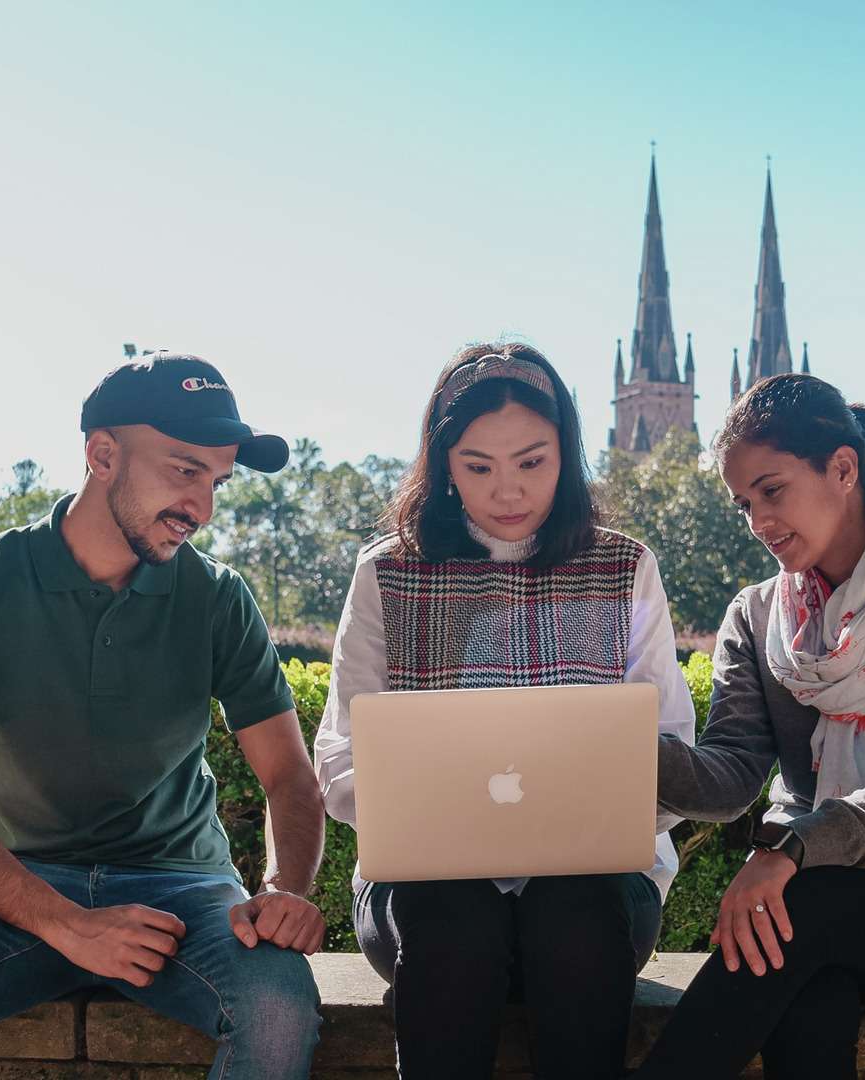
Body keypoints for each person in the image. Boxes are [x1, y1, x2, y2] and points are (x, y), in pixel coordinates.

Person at [0, 353, 327, 1080]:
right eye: (184, 470)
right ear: (103, 455)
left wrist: (285, 890)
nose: (203, 507)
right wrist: (69, 925)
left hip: (185, 891)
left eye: (216, 481)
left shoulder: (219, 599)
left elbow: (290, 776)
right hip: (17, 884)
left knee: (280, 1008)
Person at [313, 342, 696, 1080]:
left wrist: (603, 811)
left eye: (532, 462)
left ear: (567, 454)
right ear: (444, 463)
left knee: (575, 914)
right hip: (423, 905)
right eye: (477, 467)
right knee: (456, 921)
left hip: (600, 901)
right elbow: (339, 759)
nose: (508, 491)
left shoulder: (625, 566)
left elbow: (670, 747)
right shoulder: (387, 571)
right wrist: (412, 811)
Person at [631, 373, 865, 1080]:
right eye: (744, 503)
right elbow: (730, 777)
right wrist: (615, 740)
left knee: (796, 912)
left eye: (772, 491)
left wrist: (794, 849)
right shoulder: (755, 617)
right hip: (801, 911)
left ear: (843, 468)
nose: (758, 522)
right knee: (809, 1005)